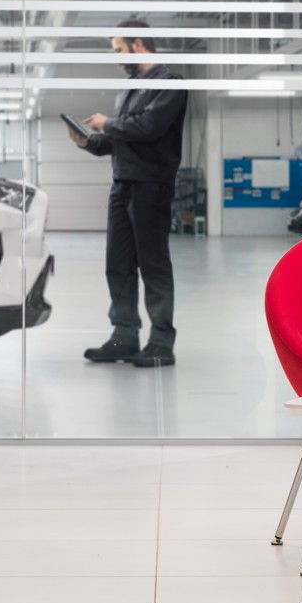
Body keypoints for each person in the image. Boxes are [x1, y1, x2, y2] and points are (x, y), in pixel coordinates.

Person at [71, 18, 188, 368]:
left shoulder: (170, 84)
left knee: (152, 264)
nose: (117, 58)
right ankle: (124, 336)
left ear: (139, 44)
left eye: (120, 50)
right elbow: (120, 139)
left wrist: (107, 123)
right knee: (118, 265)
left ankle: (161, 342)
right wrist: (90, 142)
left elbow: (148, 128)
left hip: (151, 185)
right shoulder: (130, 88)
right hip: (122, 184)